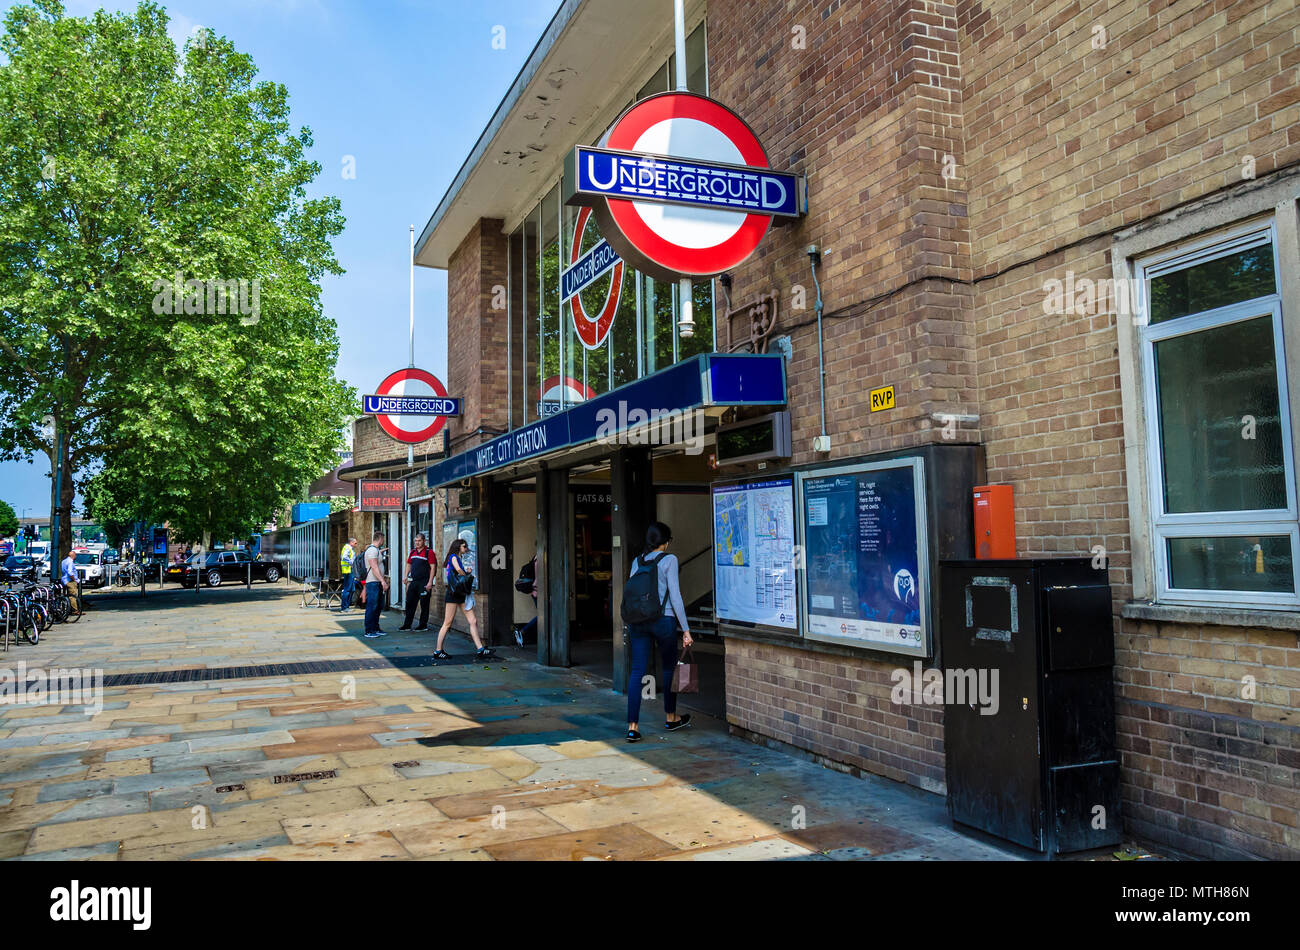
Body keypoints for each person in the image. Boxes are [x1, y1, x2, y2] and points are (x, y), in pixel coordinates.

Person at [625, 522, 692, 743]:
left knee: (637, 671)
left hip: (639, 621)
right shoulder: (669, 560)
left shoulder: (637, 561)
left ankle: (633, 727)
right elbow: (675, 595)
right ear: (665, 542)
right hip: (664, 620)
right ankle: (671, 717)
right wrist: (686, 629)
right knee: (669, 669)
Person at [434, 538, 496, 659]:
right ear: (458, 547)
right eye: (464, 546)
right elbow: (457, 570)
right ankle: (438, 651)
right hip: (453, 594)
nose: (465, 548)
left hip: (461, 594)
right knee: (447, 623)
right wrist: (466, 574)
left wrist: (465, 573)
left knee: (473, 621)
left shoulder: (457, 558)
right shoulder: (454, 557)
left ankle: (480, 649)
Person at [399, 533, 434, 631]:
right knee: (409, 603)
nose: (417, 543)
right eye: (416, 541)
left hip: (424, 582)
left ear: (424, 541)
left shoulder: (429, 552)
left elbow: (433, 567)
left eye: (419, 541)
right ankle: (407, 625)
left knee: (424, 604)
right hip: (414, 581)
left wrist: (430, 582)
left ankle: (423, 625)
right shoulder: (412, 552)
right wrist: (405, 576)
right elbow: (408, 564)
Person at [362, 531, 389, 639]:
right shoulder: (372, 550)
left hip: (376, 582)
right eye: (383, 539)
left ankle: (376, 628)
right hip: (373, 582)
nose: (383, 541)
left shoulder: (375, 550)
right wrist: (383, 581)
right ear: (380, 539)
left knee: (377, 606)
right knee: (372, 606)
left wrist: (382, 551)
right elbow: (374, 567)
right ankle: (369, 630)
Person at [338, 536, 358, 612]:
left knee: (352, 589)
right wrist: (351, 562)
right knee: (347, 589)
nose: (356, 545)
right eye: (355, 543)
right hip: (348, 570)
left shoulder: (349, 548)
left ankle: (347, 606)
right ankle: (344, 607)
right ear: (351, 542)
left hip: (349, 570)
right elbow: (344, 557)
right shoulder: (347, 548)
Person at [60, 549, 83, 613]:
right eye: (75, 555)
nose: (76, 556)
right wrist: (74, 579)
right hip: (70, 581)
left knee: (67, 594)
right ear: (73, 555)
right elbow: (70, 572)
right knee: (73, 596)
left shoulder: (64, 561)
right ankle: (75, 610)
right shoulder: (70, 562)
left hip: (64, 580)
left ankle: (67, 608)